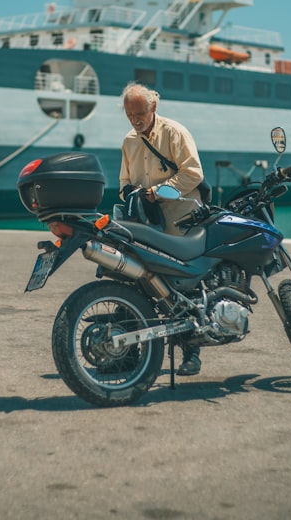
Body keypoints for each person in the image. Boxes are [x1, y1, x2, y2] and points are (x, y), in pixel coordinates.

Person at [118, 82, 205, 375]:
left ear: (153, 107)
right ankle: (128, 352)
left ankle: (191, 354)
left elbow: (193, 173)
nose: (135, 120)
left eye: (139, 113)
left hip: (181, 221)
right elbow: (122, 184)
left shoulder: (174, 133)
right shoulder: (129, 141)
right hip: (146, 222)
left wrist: (158, 191)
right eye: (130, 115)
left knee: (185, 285)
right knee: (136, 281)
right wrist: (132, 192)